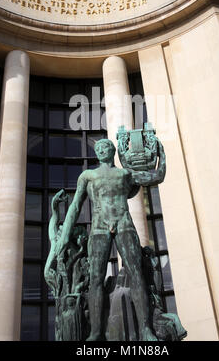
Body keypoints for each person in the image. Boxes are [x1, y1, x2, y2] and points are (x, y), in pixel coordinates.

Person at [56, 137, 166, 341]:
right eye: (97, 147)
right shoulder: (88, 175)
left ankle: (146, 330)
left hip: (124, 223)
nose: (100, 149)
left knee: (136, 275)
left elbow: (157, 176)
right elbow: (75, 205)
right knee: (96, 279)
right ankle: (96, 332)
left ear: (112, 151)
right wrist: (64, 236)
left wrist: (161, 153)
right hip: (99, 227)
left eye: (105, 147)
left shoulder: (124, 174)